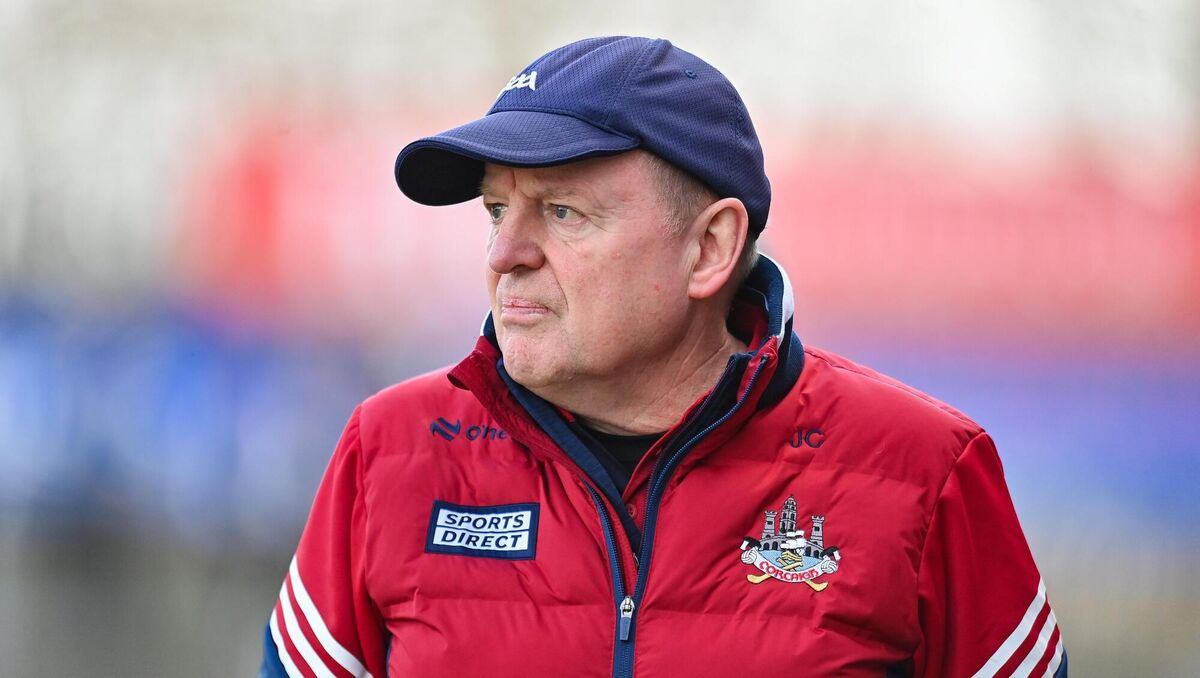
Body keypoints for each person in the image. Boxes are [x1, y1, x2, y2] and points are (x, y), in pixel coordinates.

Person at [259, 36, 1066, 677]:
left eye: (563, 211)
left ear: (710, 247)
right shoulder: (390, 452)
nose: (505, 252)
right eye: (497, 210)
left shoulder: (928, 470)